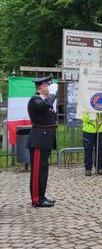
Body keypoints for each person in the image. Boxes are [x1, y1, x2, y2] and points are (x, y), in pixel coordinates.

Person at [27, 76, 58, 207]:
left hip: (45, 139)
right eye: (47, 86)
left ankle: (42, 196)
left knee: (43, 170)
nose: (49, 88)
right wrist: (52, 94)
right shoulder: (35, 100)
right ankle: (36, 199)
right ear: (41, 87)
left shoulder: (43, 100)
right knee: (38, 171)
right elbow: (47, 105)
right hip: (39, 140)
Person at [82, 112, 102, 176]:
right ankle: (88, 169)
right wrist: (92, 114)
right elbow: (84, 118)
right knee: (88, 150)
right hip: (88, 131)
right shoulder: (86, 105)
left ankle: (99, 168)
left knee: (99, 150)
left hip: (101, 130)